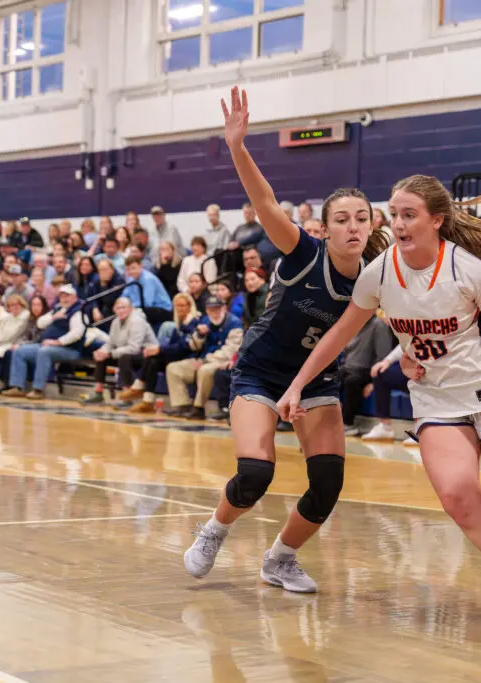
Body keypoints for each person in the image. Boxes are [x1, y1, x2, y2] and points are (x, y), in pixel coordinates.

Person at [277, 174, 481, 637]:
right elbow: (339, 335)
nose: (397, 223)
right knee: (460, 502)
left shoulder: (468, 270)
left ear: (436, 220)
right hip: (435, 402)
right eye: (393, 213)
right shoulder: (378, 273)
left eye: (409, 214)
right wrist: (297, 384)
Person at [182, 87, 390, 594]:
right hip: (260, 372)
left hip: (316, 380)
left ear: (372, 224)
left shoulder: (375, 277)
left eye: (361, 218)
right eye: (342, 219)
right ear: (326, 227)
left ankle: (280, 559)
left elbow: (411, 320)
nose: (353, 226)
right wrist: (237, 147)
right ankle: (215, 529)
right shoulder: (302, 252)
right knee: (255, 474)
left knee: (328, 484)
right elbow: (265, 201)